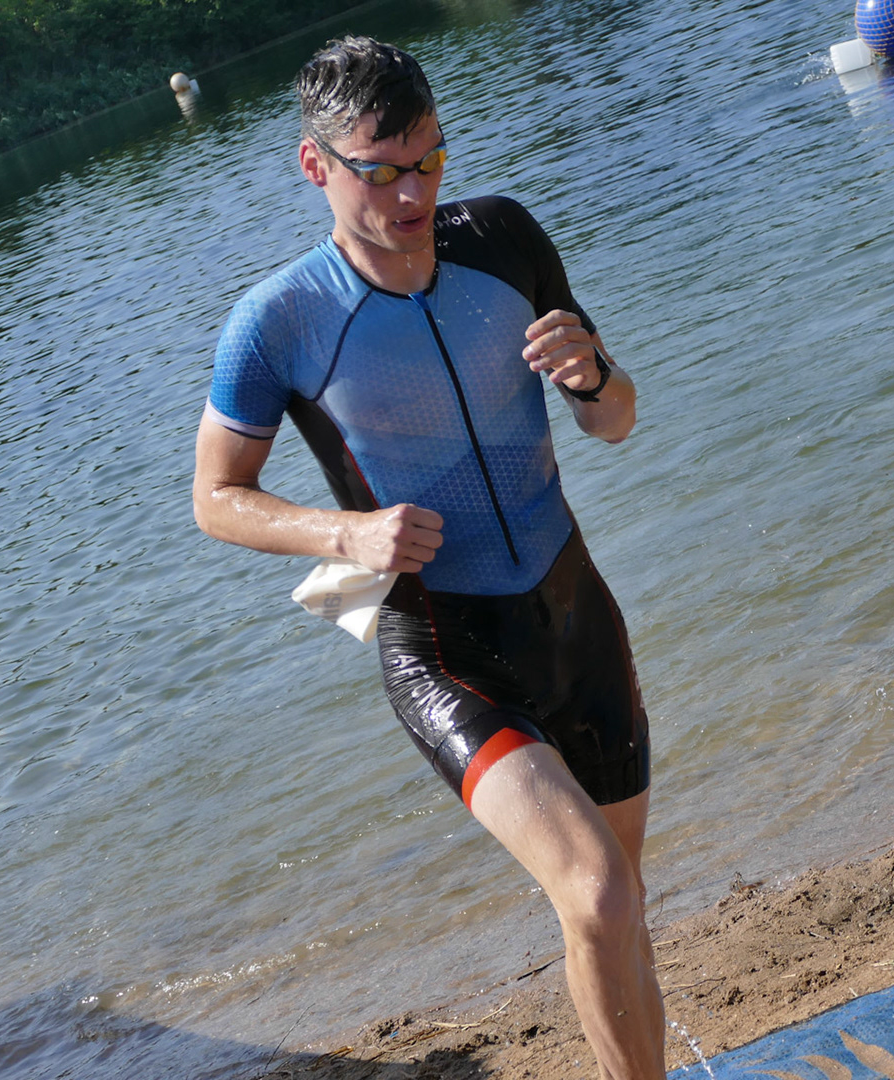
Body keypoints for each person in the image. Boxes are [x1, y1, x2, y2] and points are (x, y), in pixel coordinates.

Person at [190, 37, 663, 1080]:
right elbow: (215, 499)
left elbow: (615, 421)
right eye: (382, 170)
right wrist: (343, 533)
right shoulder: (277, 324)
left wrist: (595, 376)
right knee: (594, 893)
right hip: (448, 652)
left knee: (620, 902)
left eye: (430, 161)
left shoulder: (503, 239)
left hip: (577, 617)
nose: (415, 194)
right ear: (315, 165)